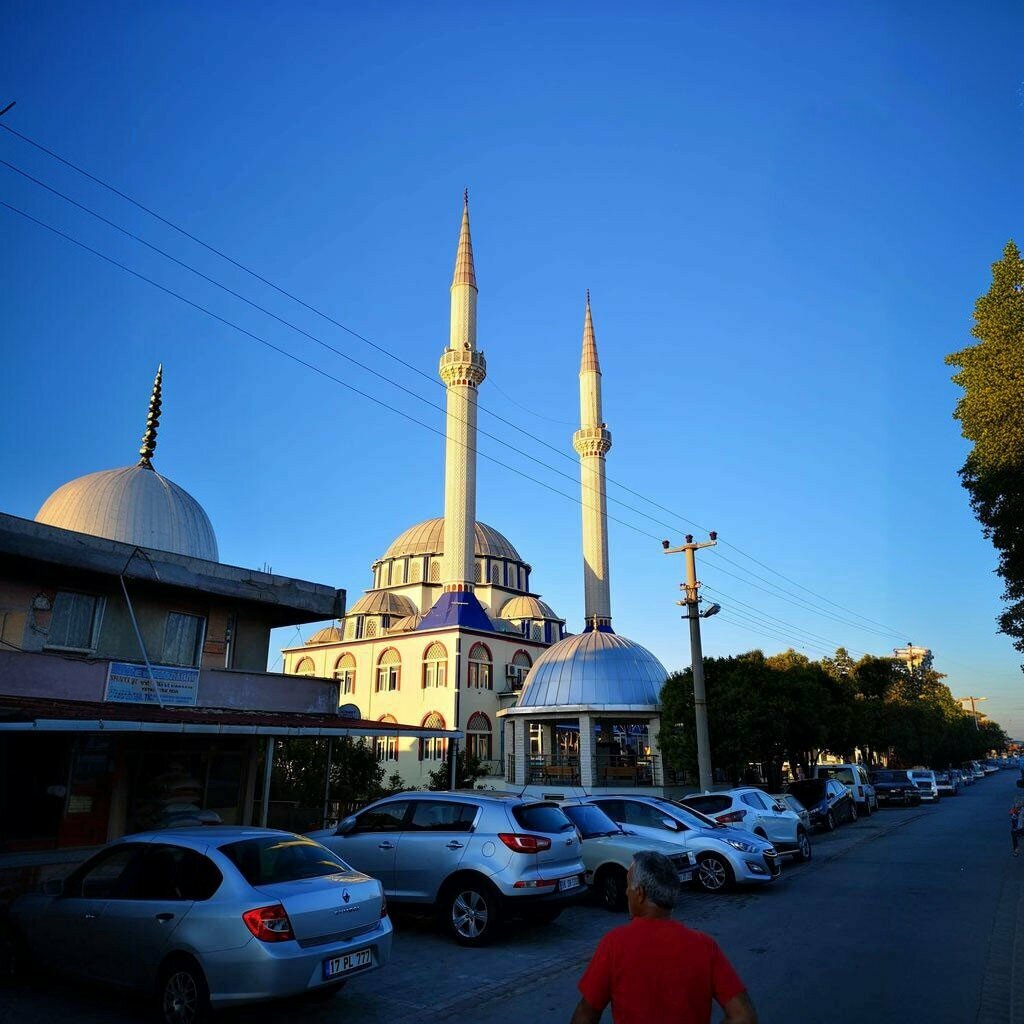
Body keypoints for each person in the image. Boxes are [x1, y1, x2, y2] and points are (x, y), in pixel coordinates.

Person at [569, 851, 758, 1024]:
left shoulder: (614, 944)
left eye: (628, 886)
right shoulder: (704, 946)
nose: (626, 892)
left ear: (640, 893)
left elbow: (586, 1015)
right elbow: (744, 1016)